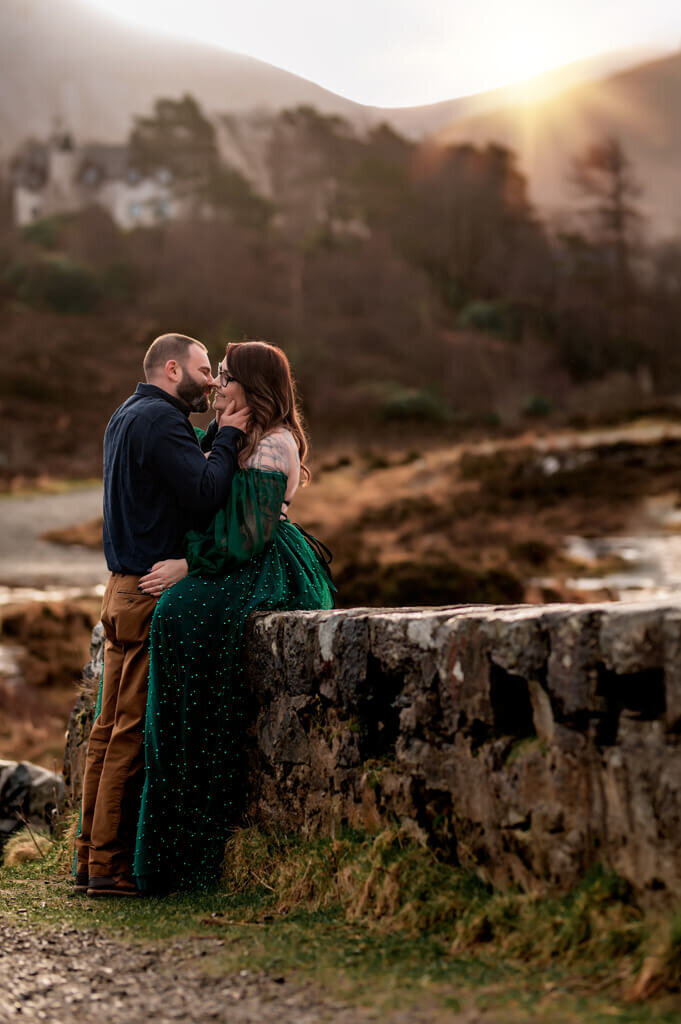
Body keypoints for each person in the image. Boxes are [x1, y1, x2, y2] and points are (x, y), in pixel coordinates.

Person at [134, 340, 334, 892]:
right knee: (175, 617)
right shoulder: (234, 434)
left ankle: (196, 842)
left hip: (260, 560)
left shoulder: (275, 442)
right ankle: (164, 844)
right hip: (230, 554)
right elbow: (198, 497)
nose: (218, 384)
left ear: (251, 384)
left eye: (225, 376)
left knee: (183, 610)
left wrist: (186, 566)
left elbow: (249, 531)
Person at [74, 333, 250, 898]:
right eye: (204, 371)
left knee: (105, 731)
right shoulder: (161, 420)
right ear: (173, 369)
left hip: (119, 589)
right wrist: (227, 437)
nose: (212, 381)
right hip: (148, 593)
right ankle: (109, 868)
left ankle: (90, 856)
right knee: (127, 732)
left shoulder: (125, 414)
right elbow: (203, 492)